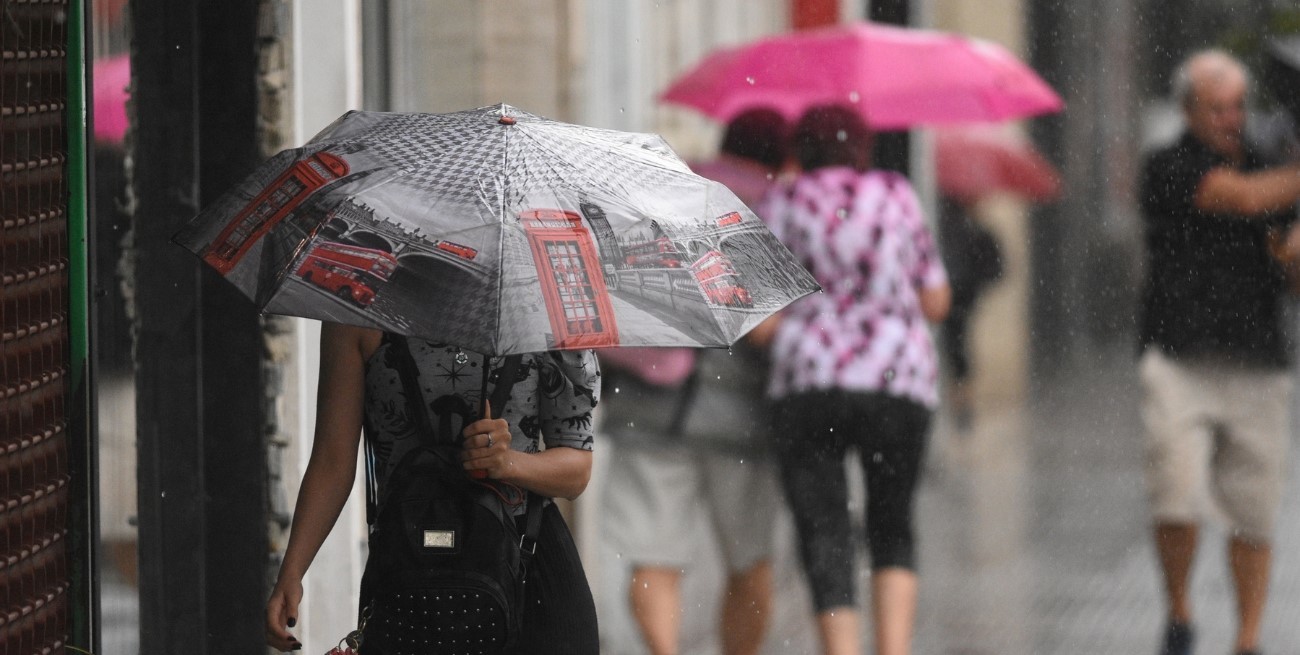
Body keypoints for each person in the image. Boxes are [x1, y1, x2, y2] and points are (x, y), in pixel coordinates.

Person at [264, 324, 601, 653]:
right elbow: (332, 461)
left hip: (529, 568)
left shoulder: (544, 312)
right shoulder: (358, 311)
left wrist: (509, 463)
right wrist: (292, 572)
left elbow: (577, 471)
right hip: (407, 572)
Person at [756, 104, 950, 655]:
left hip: (808, 381)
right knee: (893, 523)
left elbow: (762, 328)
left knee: (825, 529)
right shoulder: (895, 193)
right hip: (898, 380)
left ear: (801, 150)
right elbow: (937, 300)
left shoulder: (782, 202)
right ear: (862, 149)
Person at [598, 107, 789, 655]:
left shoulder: (666, 188)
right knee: (750, 561)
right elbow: (770, 325)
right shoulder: (770, 206)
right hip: (741, 418)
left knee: (653, 557)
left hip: (647, 405)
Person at [1138, 49, 1300, 655]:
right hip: (1179, 356)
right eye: (1218, 108)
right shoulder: (1167, 165)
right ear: (1188, 109)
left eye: (1239, 106)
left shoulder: (1272, 165)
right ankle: (1179, 612)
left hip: (1259, 360)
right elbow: (1241, 199)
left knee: (1255, 512)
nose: (1232, 119)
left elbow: (1290, 267)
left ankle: (1248, 638)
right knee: (1175, 497)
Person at [936, 194, 1003, 432]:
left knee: (956, 349)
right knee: (956, 350)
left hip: (960, 299)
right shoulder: (954, 227)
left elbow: (995, 267)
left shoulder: (970, 230)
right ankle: (959, 401)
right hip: (954, 297)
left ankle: (960, 402)